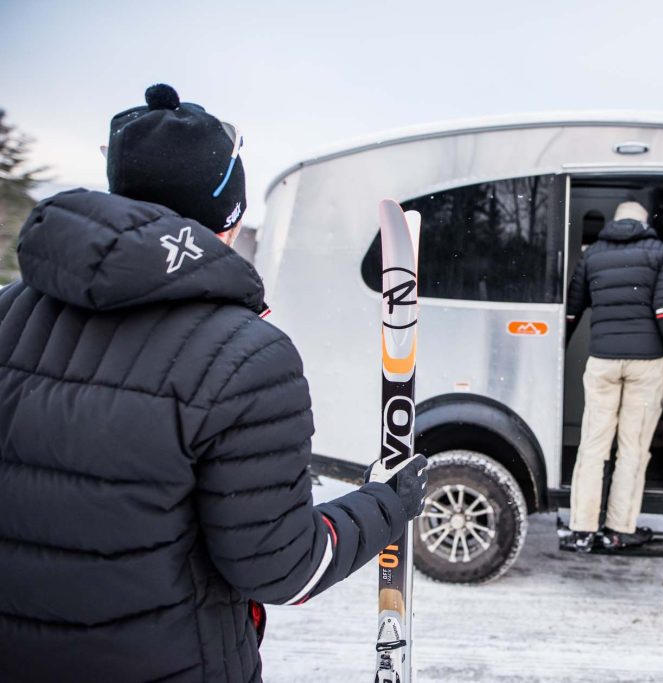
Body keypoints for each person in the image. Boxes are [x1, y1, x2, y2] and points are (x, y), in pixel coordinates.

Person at [0, 84, 426, 683]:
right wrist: (388, 503)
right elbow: (283, 568)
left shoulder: (9, 312)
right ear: (229, 216)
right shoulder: (247, 358)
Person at [564, 200, 663, 552]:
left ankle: (582, 528)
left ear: (615, 221)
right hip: (647, 364)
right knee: (632, 449)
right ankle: (618, 529)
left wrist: (556, 351)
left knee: (592, 445)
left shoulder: (592, 254)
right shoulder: (661, 253)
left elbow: (571, 311)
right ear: (645, 223)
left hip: (603, 362)